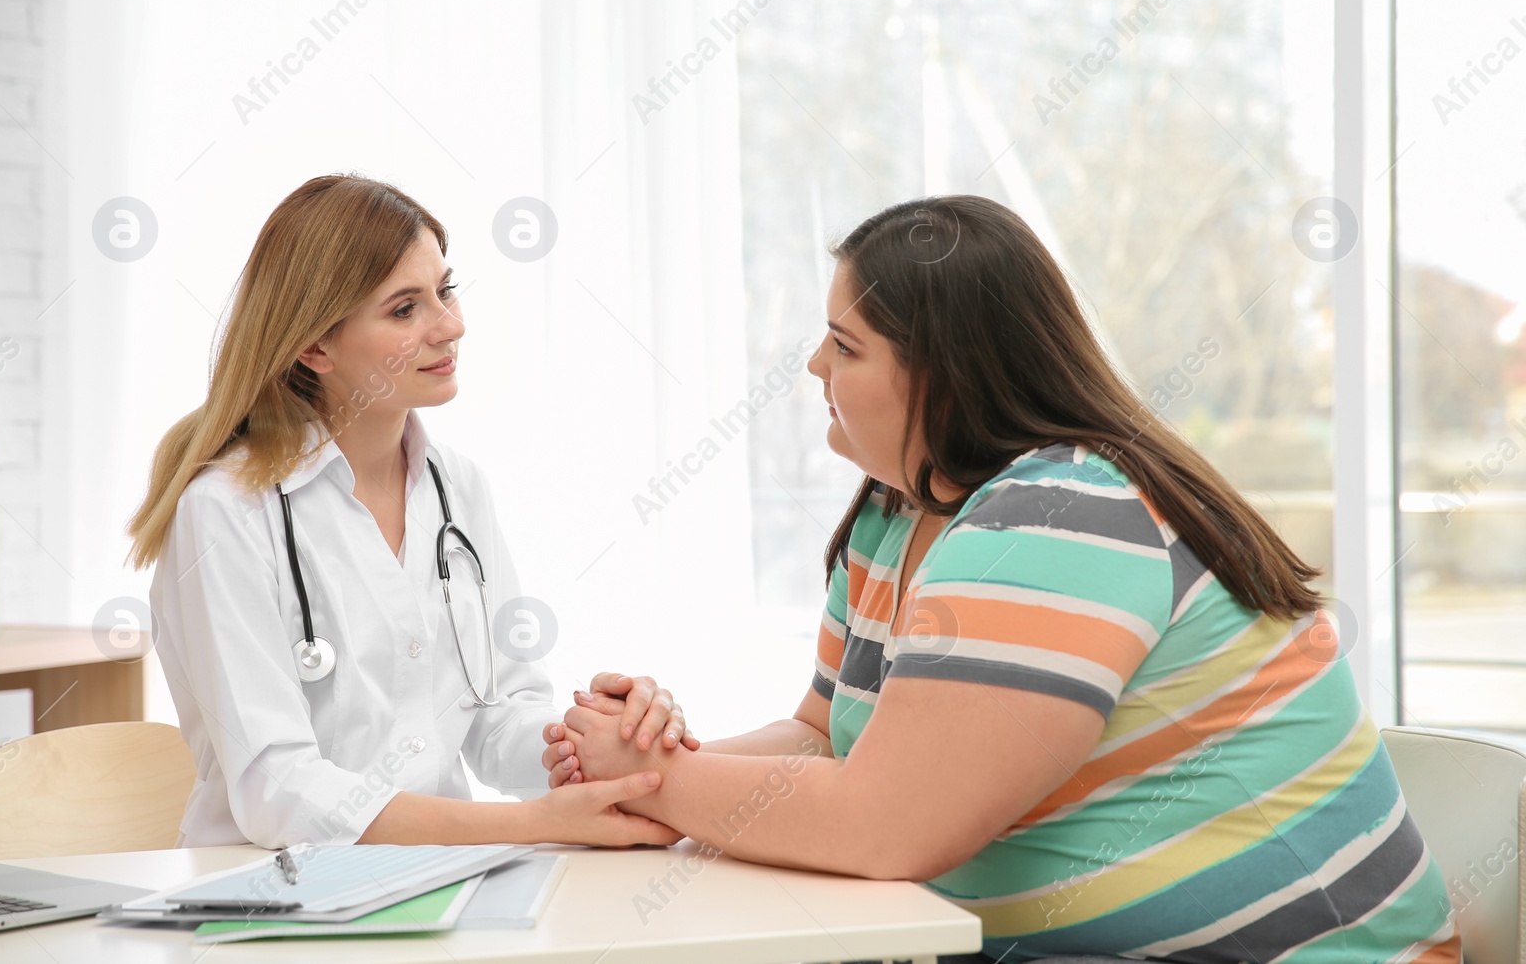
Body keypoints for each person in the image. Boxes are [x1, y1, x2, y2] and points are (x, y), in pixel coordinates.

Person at [547, 195, 1462, 961]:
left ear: (942, 375)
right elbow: (825, 736)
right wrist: (631, 766)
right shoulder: (896, 511)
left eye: (845, 344)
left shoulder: (1061, 513)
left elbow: (887, 825)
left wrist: (656, 783)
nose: (816, 367)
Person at [125, 174, 695, 849]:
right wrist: (530, 824)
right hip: (272, 900)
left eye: (445, 291)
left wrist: (594, 741)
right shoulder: (225, 513)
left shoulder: (457, 488)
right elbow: (277, 788)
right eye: (405, 309)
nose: (451, 325)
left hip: (442, 877)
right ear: (316, 347)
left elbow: (496, 718)